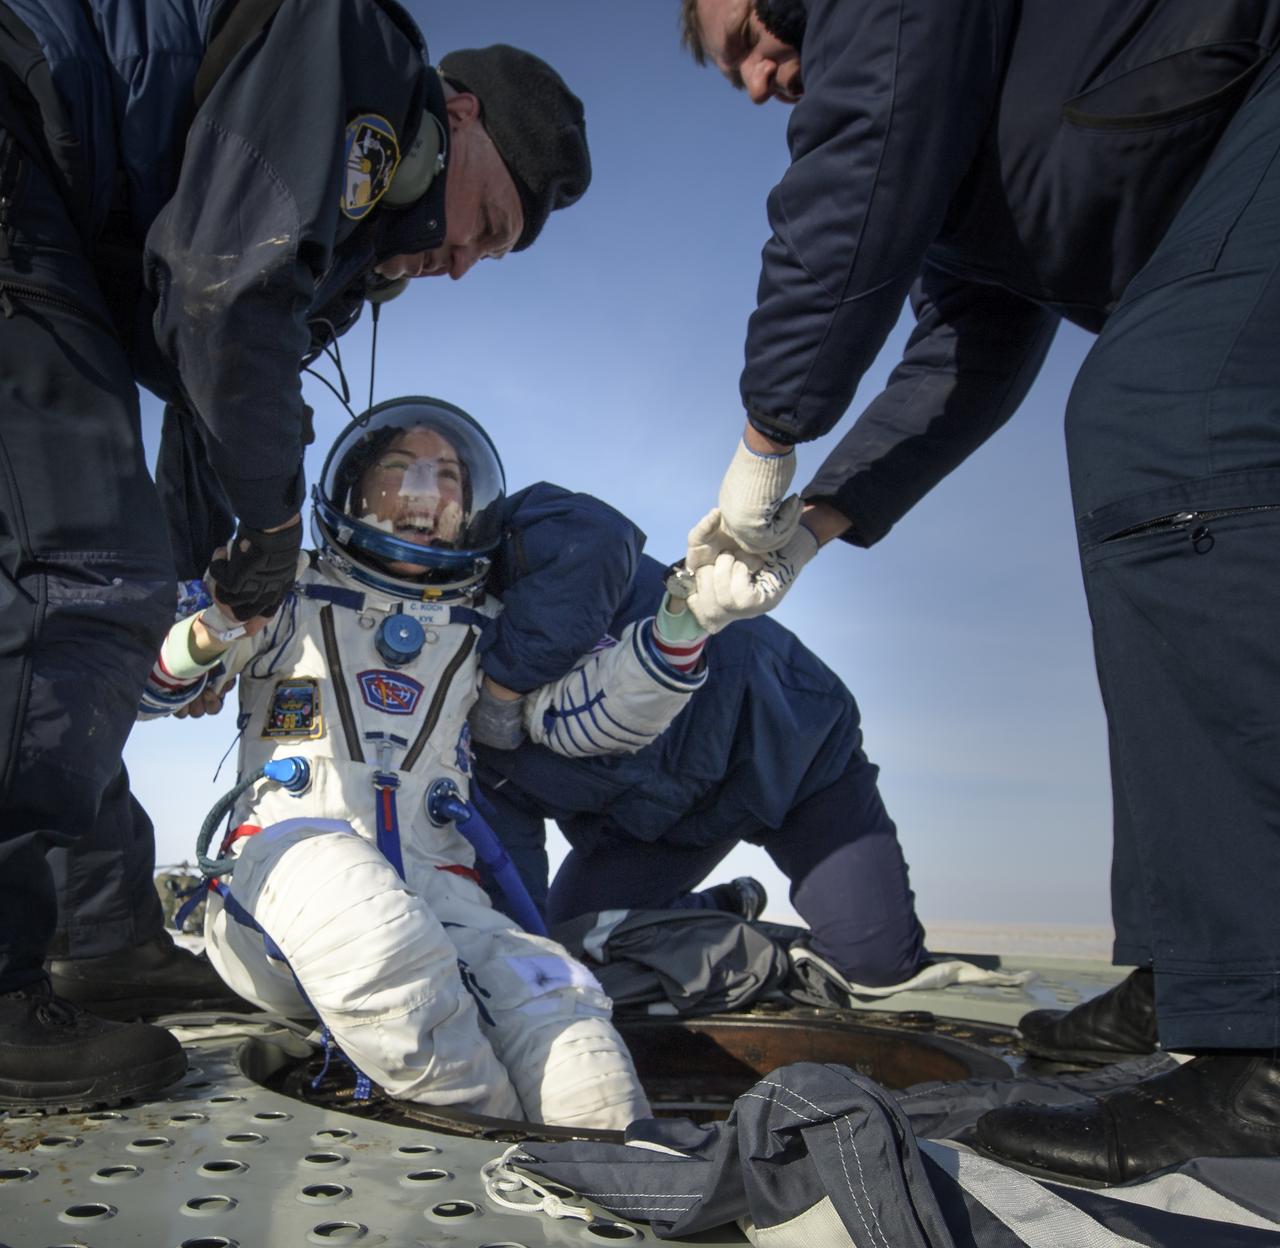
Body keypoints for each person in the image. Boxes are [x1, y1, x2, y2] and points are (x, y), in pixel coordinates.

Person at [676, 0, 1280, 1182]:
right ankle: (1191, 971)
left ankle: (1261, 1035)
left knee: (1165, 434)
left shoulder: (890, 35)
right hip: (1213, 174)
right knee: (1143, 430)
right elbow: (970, 346)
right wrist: (809, 527)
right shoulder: (969, 157)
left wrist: (766, 435)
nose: (751, 81)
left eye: (746, 32)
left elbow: (860, 162)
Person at [0, 0, 591, 1113]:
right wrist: (268, 533)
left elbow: (202, 390)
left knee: (107, 597)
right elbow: (222, 293)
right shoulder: (361, 58)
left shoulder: (353, 253)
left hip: (56, 208)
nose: (465, 259)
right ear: (454, 119)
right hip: (21, 136)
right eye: (488, 219)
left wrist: (195, 589)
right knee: (73, 575)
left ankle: (98, 934)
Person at [135, 396, 732, 1127]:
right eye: (401, 469)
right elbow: (151, 684)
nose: (428, 491)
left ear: (471, 506)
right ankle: (488, 1138)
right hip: (281, 881)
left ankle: (614, 1174)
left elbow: (584, 718)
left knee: (563, 1013)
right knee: (367, 918)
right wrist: (216, 623)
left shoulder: (484, 627)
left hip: (438, 891)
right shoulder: (285, 591)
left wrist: (685, 620)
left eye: (448, 475)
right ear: (356, 489)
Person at [474, 551, 928, 997]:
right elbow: (513, 894)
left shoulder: (542, 544)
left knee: (876, 967)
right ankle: (730, 910)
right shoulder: (455, 736)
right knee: (571, 951)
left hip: (791, 757)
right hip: (656, 828)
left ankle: (825, 952)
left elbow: (596, 542)